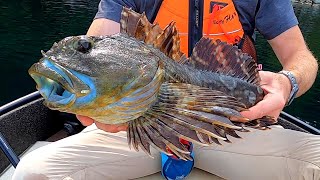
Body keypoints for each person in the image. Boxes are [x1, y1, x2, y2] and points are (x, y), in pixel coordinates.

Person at [13, 0, 319, 180]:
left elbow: (301, 58)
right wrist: (93, 104)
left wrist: (287, 82)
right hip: (135, 125)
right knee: (33, 172)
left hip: (228, 126)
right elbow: (98, 41)